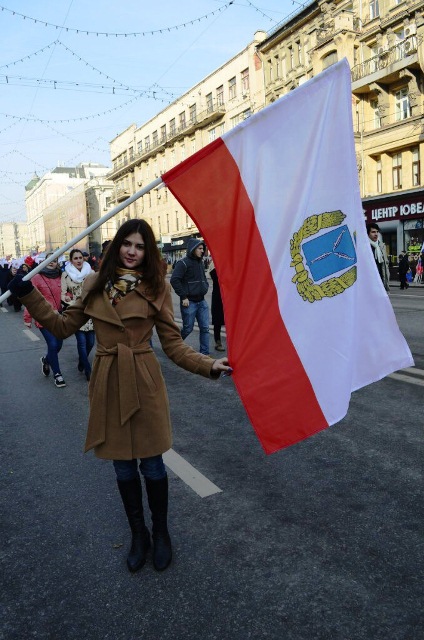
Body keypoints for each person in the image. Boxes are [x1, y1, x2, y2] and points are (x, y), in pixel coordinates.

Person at [9, 219, 230, 574]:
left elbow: (173, 345)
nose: (132, 251)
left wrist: (209, 364)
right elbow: (63, 326)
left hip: (144, 380)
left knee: (152, 464)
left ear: (147, 252)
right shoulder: (94, 285)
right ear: (117, 247)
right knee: (123, 466)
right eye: (127, 243)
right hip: (108, 379)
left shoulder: (155, 287)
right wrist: (27, 294)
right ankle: (138, 534)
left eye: (140, 246)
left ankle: (161, 533)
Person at [23, 253, 66, 388]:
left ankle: (46, 360)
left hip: (59, 317)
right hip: (43, 317)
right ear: (44, 261)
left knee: (58, 345)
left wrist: (69, 297)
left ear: (57, 262)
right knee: (52, 345)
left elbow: (67, 292)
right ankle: (58, 375)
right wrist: (27, 318)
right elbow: (31, 298)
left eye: (55, 260)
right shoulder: (37, 277)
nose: (52, 262)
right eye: (49, 260)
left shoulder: (62, 276)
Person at [170, 238, 210, 355]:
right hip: (189, 302)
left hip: (202, 302)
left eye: (203, 249)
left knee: (205, 329)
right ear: (193, 249)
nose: (202, 251)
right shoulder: (183, 263)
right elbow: (174, 280)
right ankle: (174, 347)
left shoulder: (200, 262)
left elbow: (203, 278)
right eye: (200, 248)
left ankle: (205, 354)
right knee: (188, 329)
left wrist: (205, 286)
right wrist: (183, 297)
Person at [61, 249, 95, 381]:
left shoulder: (91, 273)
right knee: (81, 342)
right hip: (75, 310)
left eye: (80, 257)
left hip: (90, 310)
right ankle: (88, 370)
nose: (79, 260)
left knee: (91, 343)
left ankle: (82, 361)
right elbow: (63, 294)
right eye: (75, 258)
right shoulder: (66, 274)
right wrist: (67, 299)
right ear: (71, 261)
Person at [366, 222, 390, 292]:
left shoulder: (381, 246)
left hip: (381, 282)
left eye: (377, 232)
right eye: (373, 232)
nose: (376, 234)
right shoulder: (365, 247)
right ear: (368, 233)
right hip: (369, 284)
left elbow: (385, 265)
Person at [209, 259, 225, 352]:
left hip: (229, 296)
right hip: (218, 296)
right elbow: (215, 276)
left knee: (233, 321)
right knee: (217, 320)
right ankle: (218, 342)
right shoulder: (214, 263)